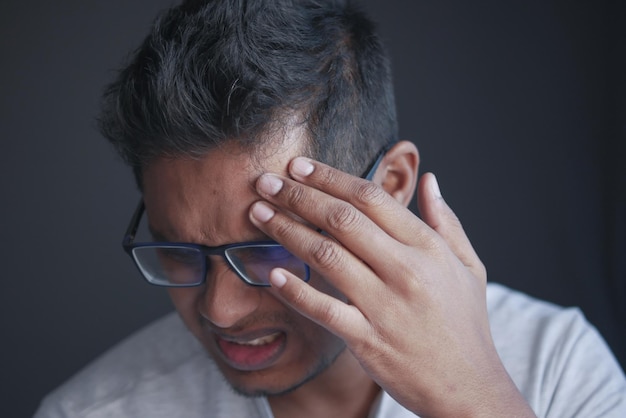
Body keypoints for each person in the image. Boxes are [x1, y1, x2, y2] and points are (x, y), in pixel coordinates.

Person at [36, 0, 626, 417]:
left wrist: (476, 404)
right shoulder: (91, 411)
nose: (220, 309)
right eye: (178, 251)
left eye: (268, 248)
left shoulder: (556, 368)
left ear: (391, 185)